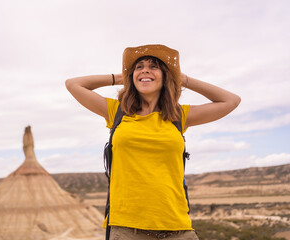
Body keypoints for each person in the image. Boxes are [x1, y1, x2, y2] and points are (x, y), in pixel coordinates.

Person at [65, 44, 241, 240]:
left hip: (178, 230)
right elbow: (73, 84)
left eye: (154, 66)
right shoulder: (116, 111)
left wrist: (182, 79)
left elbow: (231, 101)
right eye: (139, 67)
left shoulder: (179, 115)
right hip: (127, 230)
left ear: (165, 77)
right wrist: (120, 77)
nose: (145, 70)